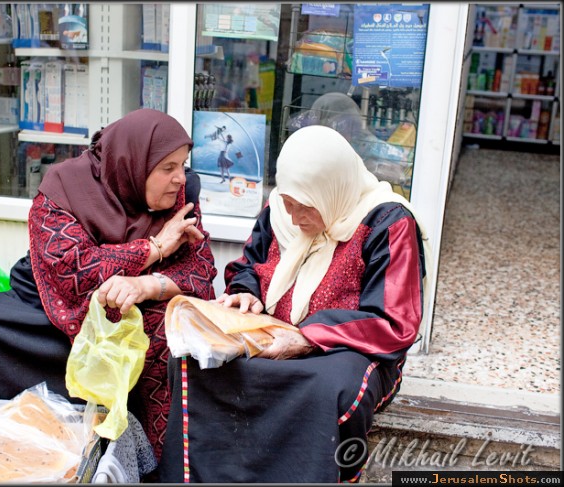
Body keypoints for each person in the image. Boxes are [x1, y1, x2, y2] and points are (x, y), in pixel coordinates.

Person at [0, 109, 218, 463]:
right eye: (167, 167)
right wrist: (154, 248)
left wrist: (146, 284)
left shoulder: (180, 194)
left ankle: (155, 461)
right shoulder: (65, 188)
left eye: (183, 165)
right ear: (133, 163)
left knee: (169, 338)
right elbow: (75, 271)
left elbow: (200, 269)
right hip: (54, 303)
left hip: (136, 308)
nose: (179, 177)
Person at [159, 125, 431, 483]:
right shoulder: (280, 208)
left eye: (305, 208)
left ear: (331, 191)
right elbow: (250, 264)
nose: (293, 219)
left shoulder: (387, 221)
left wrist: (308, 337)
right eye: (288, 205)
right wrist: (246, 291)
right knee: (194, 360)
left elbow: (393, 320)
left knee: (328, 388)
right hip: (274, 334)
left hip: (344, 348)